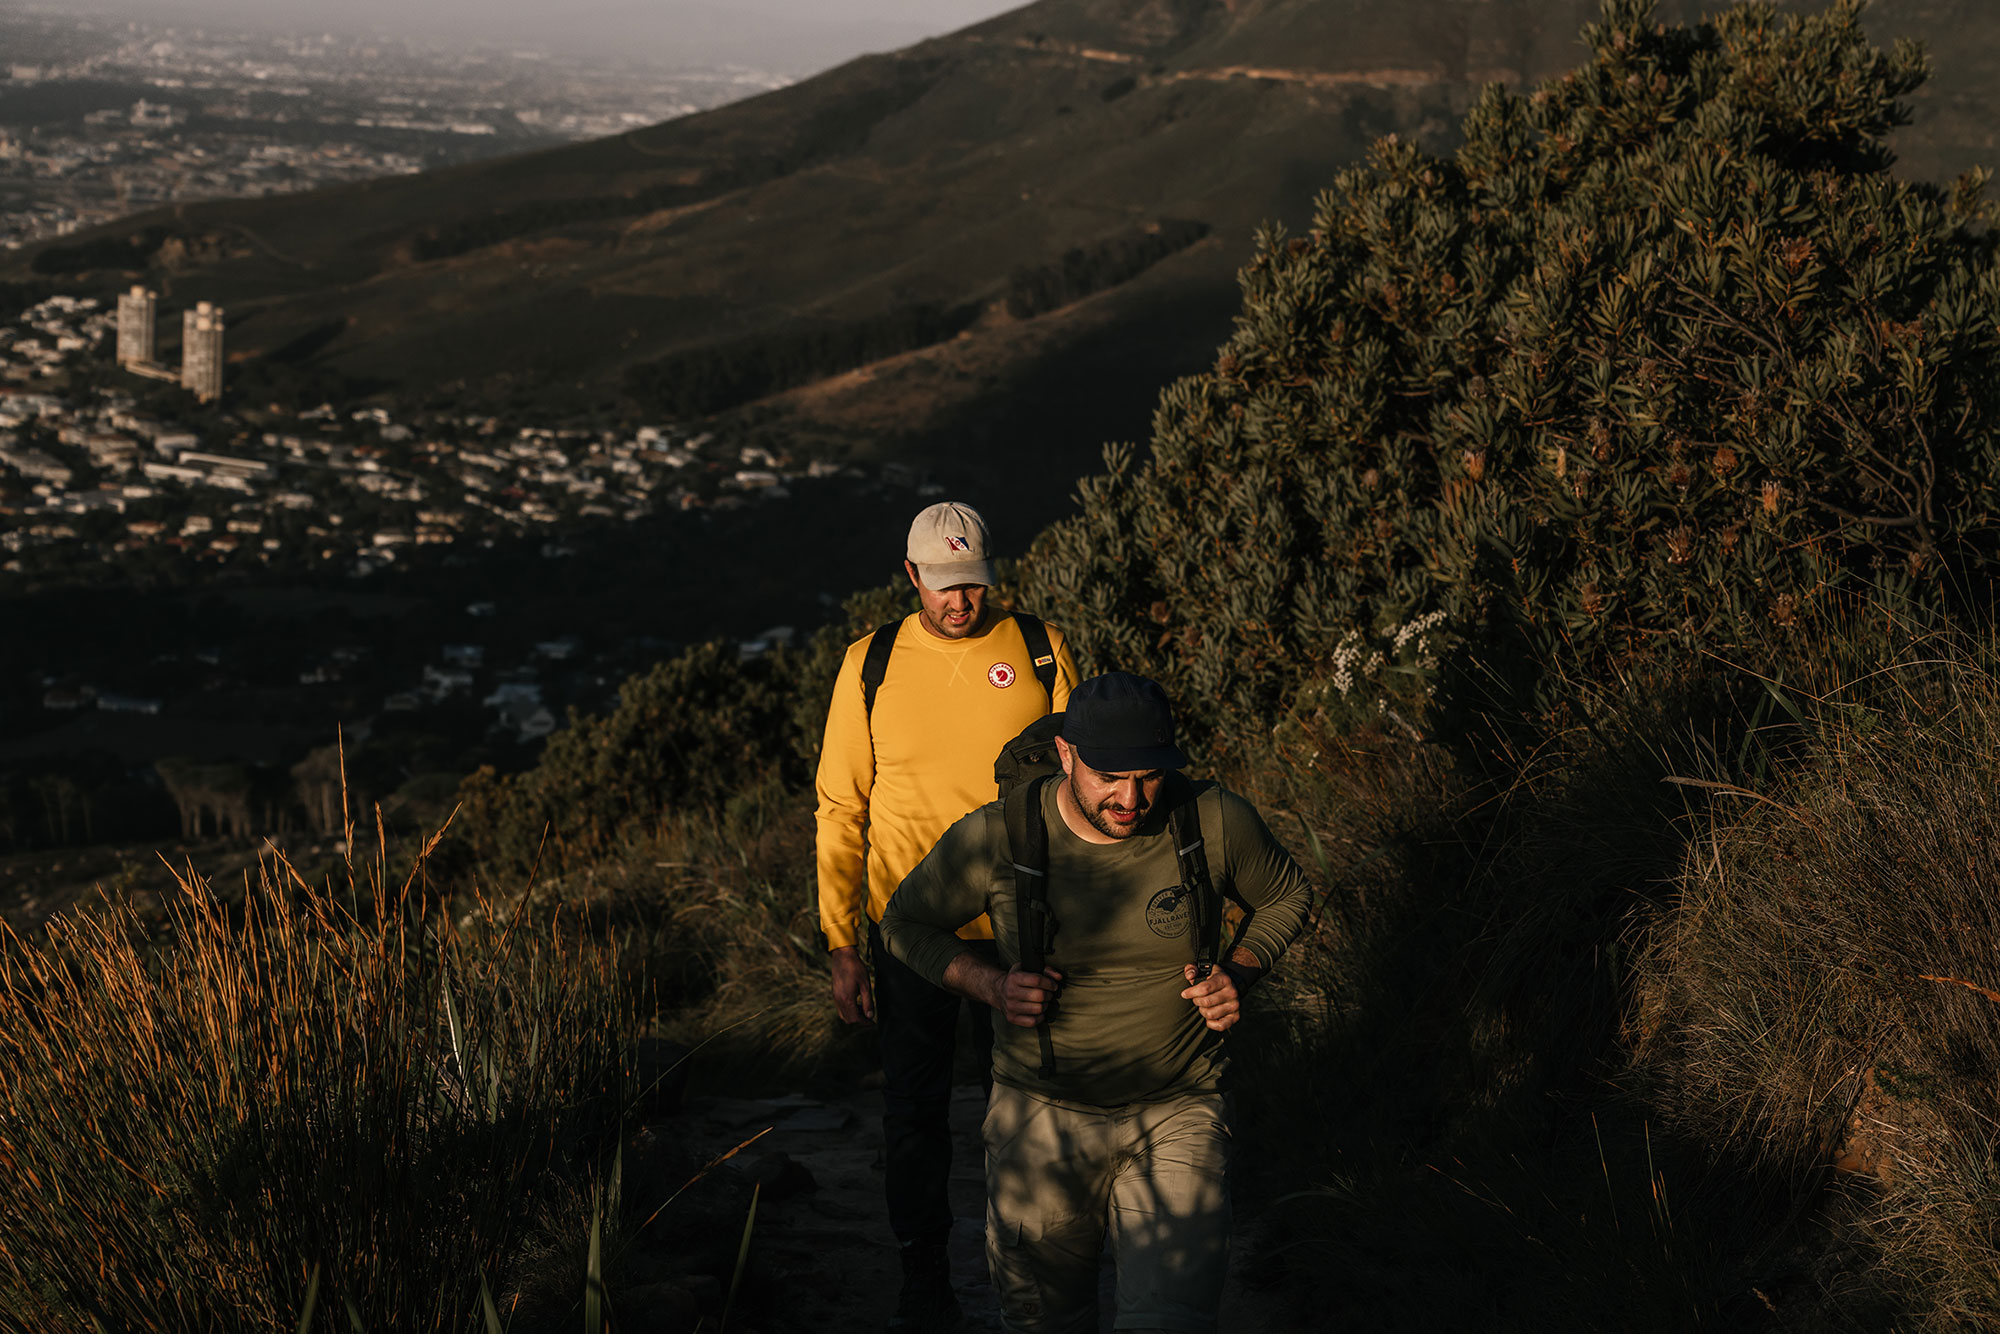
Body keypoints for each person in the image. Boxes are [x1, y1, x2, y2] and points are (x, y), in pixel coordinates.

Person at [879, 672, 1313, 1334]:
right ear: (1066, 755)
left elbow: (1286, 895)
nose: (1130, 798)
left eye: (1148, 776)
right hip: (1040, 1117)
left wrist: (1240, 971)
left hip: (1181, 1108)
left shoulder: (1213, 820)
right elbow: (904, 925)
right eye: (1110, 776)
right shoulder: (998, 837)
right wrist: (990, 984)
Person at [816, 501, 1081, 1332]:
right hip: (908, 934)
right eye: (942, 586)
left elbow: (1087, 782)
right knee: (916, 1114)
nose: (959, 603)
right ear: (910, 577)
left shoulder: (1040, 649)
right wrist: (840, 942)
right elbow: (840, 806)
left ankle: (1038, 1271)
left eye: (972, 586)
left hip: (1024, 925)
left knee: (1034, 1109)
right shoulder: (871, 664)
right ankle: (923, 1276)